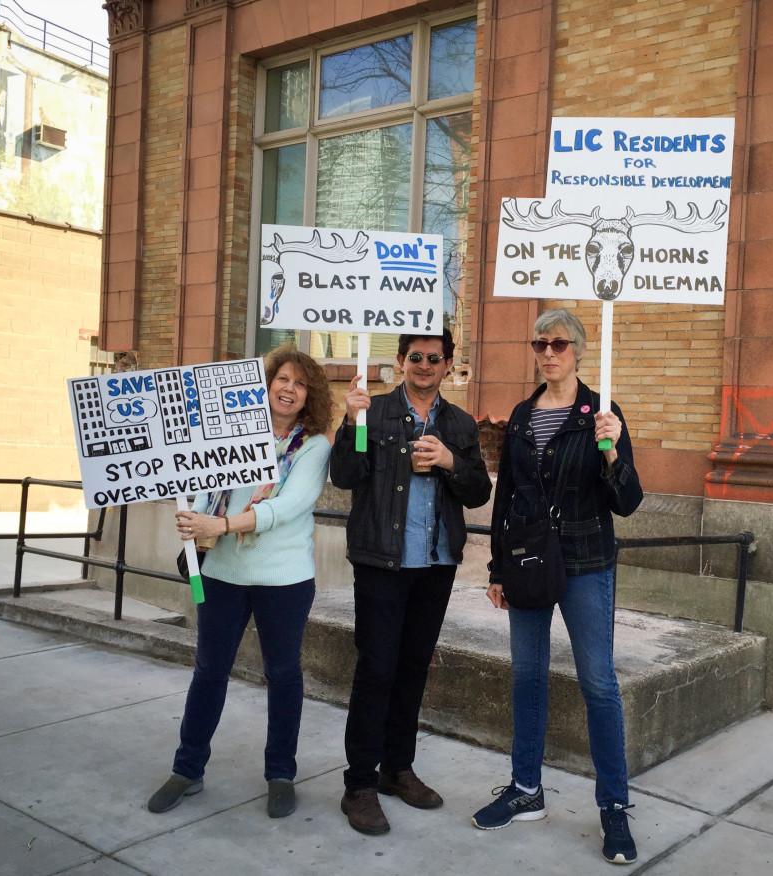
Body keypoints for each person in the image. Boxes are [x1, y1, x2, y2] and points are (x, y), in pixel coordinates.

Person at [471, 308, 644, 865]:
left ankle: (613, 807)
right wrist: (497, 569)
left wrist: (612, 449)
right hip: (528, 562)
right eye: (539, 343)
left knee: (598, 682)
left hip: (587, 563)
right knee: (526, 675)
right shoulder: (522, 415)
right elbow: (509, 498)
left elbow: (628, 502)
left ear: (579, 351)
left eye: (559, 344)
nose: (548, 353)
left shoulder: (602, 413)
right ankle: (526, 790)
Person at [146, 347, 333, 819]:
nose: (289, 388)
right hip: (222, 574)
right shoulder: (229, 434)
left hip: (285, 581)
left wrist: (222, 527)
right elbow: (207, 489)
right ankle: (187, 769)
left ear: (309, 395)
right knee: (209, 671)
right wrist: (194, 515)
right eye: (281, 379)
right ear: (265, 385)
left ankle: (280, 773)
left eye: (300, 383)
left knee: (283, 675)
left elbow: (287, 508)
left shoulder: (314, 446)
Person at [330, 328, 492, 835]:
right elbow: (346, 475)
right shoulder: (372, 413)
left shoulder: (460, 423)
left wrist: (448, 461)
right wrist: (348, 421)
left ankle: (397, 769)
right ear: (400, 361)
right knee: (376, 669)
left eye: (434, 358)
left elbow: (477, 490)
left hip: (436, 561)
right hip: (382, 560)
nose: (424, 364)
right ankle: (358, 784)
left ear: (448, 366)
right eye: (415, 356)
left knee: (413, 668)